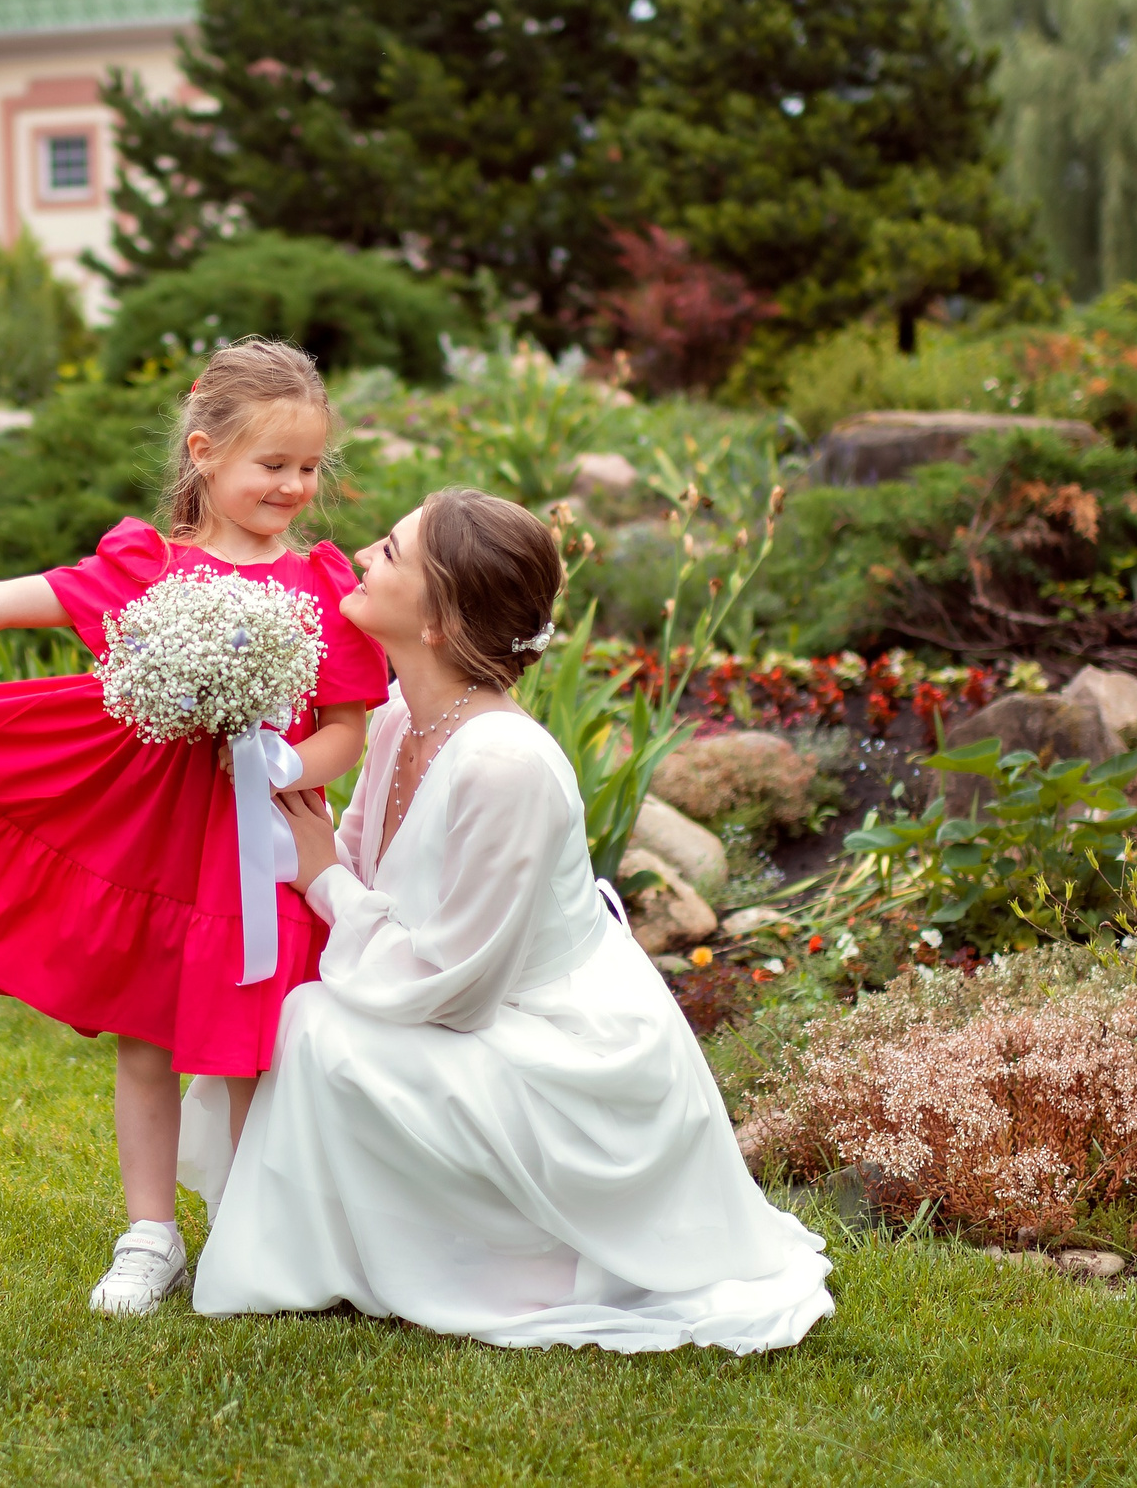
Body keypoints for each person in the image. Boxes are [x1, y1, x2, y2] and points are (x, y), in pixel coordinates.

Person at [0, 338, 388, 1317]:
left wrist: (286, 765)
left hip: (266, 851)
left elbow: (347, 728)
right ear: (204, 453)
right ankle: (151, 1234)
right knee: (147, 1041)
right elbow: (3, 604)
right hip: (157, 844)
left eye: (309, 467)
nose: (293, 486)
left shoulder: (322, 588)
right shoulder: (151, 569)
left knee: (256, 1041)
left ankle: (256, 1230)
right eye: (272, 464)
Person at [183, 487, 834, 1353]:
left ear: (438, 623)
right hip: (471, 1001)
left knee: (314, 1024)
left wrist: (324, 881)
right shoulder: (397, 721)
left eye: (391, 551)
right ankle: (341, 1239)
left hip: (564, 1049)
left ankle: (500, 1260)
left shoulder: (505, 763)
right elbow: (355, 865)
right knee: (282, 1004)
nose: (363, 556)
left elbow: (455, 983)